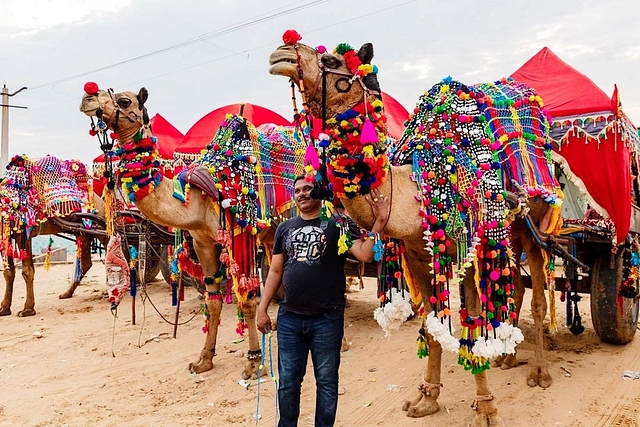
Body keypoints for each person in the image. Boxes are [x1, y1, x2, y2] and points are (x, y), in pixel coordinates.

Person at [257, 176, 388, 427]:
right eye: (297, 191)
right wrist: (262, 309)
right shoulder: (285, 228)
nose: (301, 194)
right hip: (289, 320)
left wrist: (379, 222)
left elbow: (364, 253)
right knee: (287, 384)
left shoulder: (338, 225)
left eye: (307, 189)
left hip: (326, 319)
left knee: (327, 384)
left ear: (318, 191)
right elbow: (275, 271)